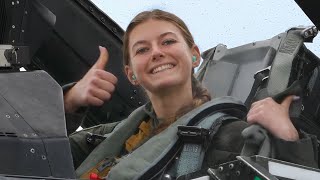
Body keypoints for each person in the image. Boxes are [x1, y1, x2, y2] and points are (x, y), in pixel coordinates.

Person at [67, 9, 318, 179]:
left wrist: (288, 138)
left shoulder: (229, 136)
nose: (156, 52)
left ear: (195, 55)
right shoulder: (113, 136)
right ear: (131, 73)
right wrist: (69, 102)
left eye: (168, 42)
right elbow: (42, 155)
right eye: (142, 49)